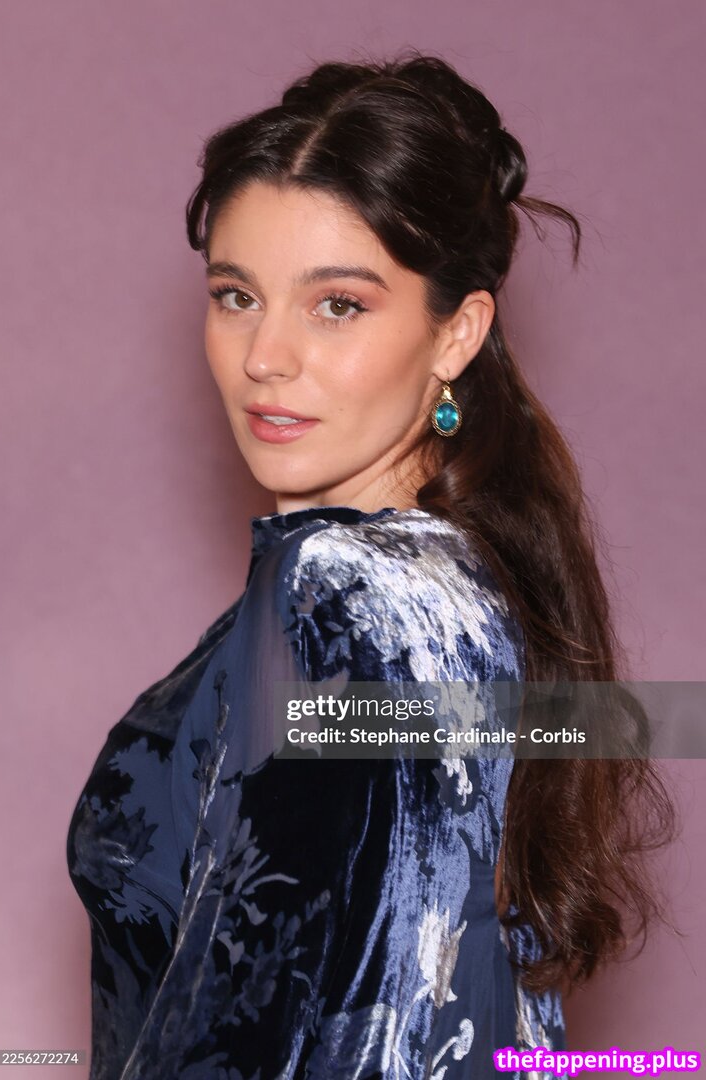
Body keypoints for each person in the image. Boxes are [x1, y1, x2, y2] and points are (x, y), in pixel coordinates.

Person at [66, 50, 676, 1079]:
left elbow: (267, 1028)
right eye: (235, 295)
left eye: (338, 305)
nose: (265, 356)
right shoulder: (480, 589)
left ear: (458, 333)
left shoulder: (340, 595)